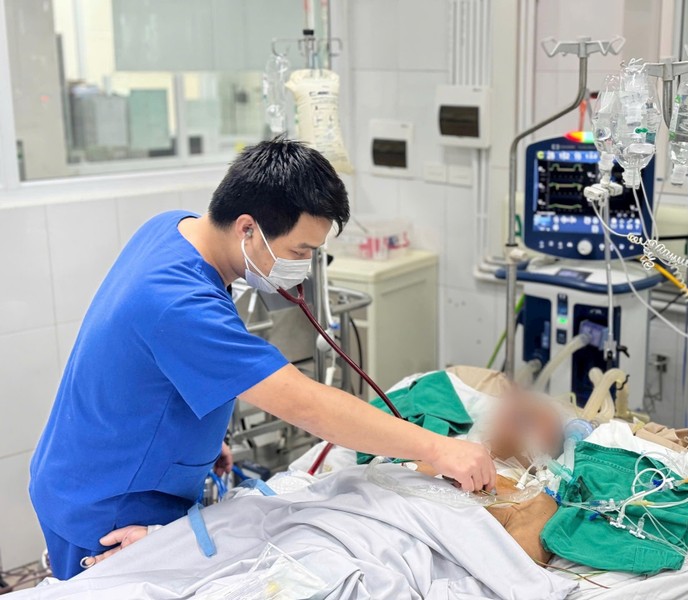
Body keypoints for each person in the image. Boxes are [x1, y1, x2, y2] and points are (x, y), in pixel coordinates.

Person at [29, 139, 496, 580]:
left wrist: (199, 439)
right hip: (106, 506)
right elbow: (306, 404)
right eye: (299, 251)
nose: (304, 266)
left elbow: (153, 365)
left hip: (100, 467)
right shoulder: (179, 303)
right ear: (247, 228)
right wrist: (437, 448)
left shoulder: (175, 228)